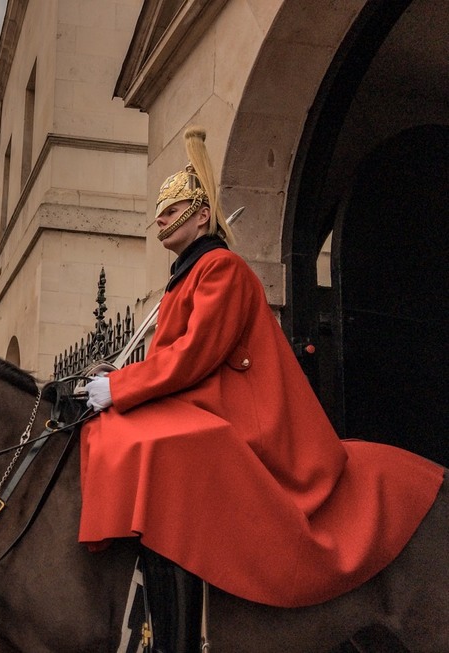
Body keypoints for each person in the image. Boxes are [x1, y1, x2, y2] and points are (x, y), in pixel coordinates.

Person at [80, 126, 443, 651]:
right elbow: (167, 361)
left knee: (154, 445)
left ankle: (177, 638)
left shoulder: (220, 269)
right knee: (123, 435)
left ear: (200, 214)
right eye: (158, 210)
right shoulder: (185, 276)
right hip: (201, 401)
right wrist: (119, 383)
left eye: (171, 208)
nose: (159, 219)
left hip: (242, 415)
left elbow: (192, 357)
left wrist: (121, 387)